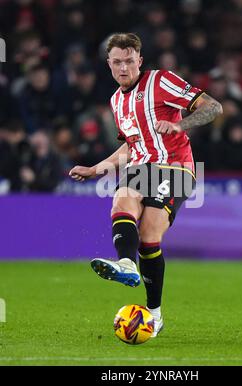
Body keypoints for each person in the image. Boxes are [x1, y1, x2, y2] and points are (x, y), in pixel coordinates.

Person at [69, 33, 222, 337]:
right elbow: (130, 147)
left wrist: (180, 124)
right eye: (117, 62)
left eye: (129, 61)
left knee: (137, 216)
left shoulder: (161, 81)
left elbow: (213, 107)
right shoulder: (116, 101)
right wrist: (96, 169)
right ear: (109, 65)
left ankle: (140, 287)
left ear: (139, 60)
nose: (123, 67)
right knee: (136, 219)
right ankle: (140, 288)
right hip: (142, 166)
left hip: (176, 167)